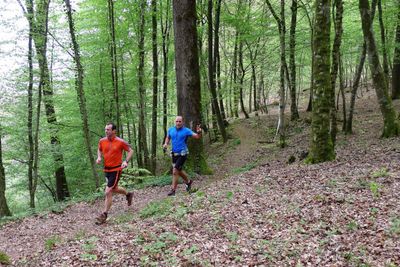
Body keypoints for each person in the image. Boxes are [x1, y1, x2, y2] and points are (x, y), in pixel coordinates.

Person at [95, 122, 134, 224]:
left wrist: (126, 161)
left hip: (116, 170)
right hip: (107, 169)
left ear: (114, 131)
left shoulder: (120, 142)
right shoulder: (102, 141)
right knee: (114, 188)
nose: (106, 131)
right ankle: (128, 194)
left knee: (108, 191)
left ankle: (104, 214)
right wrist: (99, 157)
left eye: (108, 129)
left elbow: (130, 151)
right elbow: (99, 149)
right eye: (105, 129)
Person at [163, 115, 202, 196]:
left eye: (180, 121)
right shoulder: (171, 129)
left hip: (183, 153)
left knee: (175, 171)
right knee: (178, 171)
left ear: (182, 122)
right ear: (175, 122)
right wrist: (166, 143)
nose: (178, 123)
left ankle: (173, 190)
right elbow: (168, 137)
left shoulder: (186, 130)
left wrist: (199, 132)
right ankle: (188, 182)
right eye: (177, 121)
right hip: (174, 154)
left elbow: (197, 137)